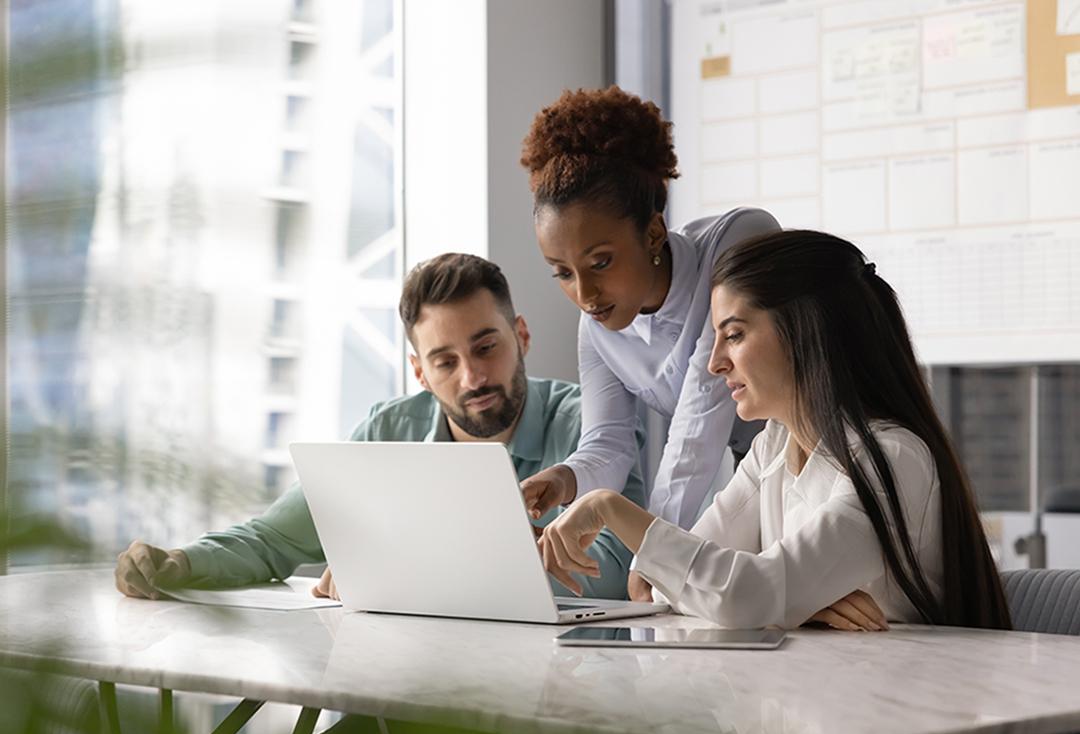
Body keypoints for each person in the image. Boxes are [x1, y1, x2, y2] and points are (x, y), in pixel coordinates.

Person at [537, 229, 1012, 633]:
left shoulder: (892, 456)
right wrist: (799, 605)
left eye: (735, 335)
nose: (714, 362)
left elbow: (745, 595)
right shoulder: (773, 446)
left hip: (905, 707)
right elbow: (656, 586)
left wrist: (608, 506)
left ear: (806, 331)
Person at [115, 253, 645, 602]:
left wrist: (396, 572)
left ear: (521, 336)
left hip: (563, 702)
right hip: (416, 695)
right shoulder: (389, 429)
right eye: (445, 361)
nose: (473, 376)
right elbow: (273, 539)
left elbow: (616, 571)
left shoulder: (595, 426)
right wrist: (180, 562)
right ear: (420, 371)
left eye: (486, 347)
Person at [518, 86, 780, 551]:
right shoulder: (598, 329)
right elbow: (609, 441)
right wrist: (565, 478)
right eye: (563, 273)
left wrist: (655, 552)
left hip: (841, 452)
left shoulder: (736, 241)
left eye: (600, 262)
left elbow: (700, 419)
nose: (585, 295)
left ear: (654, 232)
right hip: (760, 470)